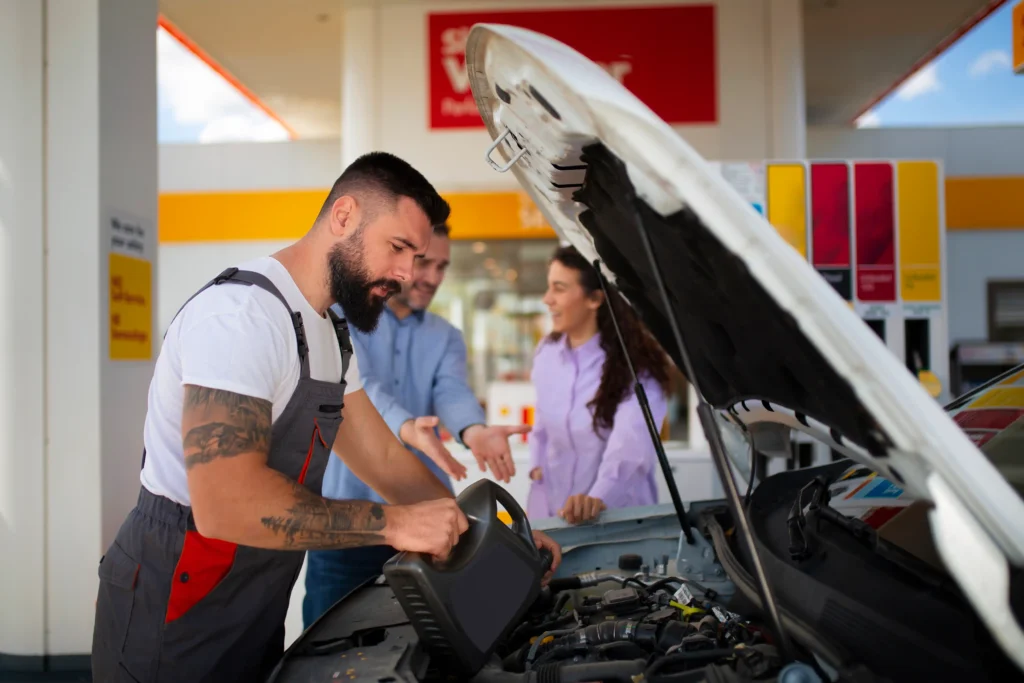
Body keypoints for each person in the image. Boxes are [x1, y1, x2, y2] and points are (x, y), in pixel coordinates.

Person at [91, 151, 561, 683]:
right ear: (344, 217)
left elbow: (385, 460)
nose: (408, 274)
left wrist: (492, 541)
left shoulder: (330, 337)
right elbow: (225, 504)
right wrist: (395, 524)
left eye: (419, 256)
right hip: (174, 602)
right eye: (399, 248)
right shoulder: (240, 319)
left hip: (255, 601)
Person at [303, 221, 532, 628]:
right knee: (331, 644)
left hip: (424, 522)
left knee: (425, 641)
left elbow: (452, 391)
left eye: (442, 267)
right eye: (425, 263)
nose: (432, 277)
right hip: (347, 525)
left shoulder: (444, 336)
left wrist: (474, 431)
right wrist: (407, 426)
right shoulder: (344, 319)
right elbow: (362, 387)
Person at [527, 245, 672, 524]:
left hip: (617, 522)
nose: (547, 299)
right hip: (554, 518)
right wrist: (536, 468)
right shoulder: (546, 353)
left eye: (559, 288)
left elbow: (630, 452)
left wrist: (596, 499)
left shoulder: (636, 367)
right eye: (549, 288)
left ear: (595, 299)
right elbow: (542, 426)